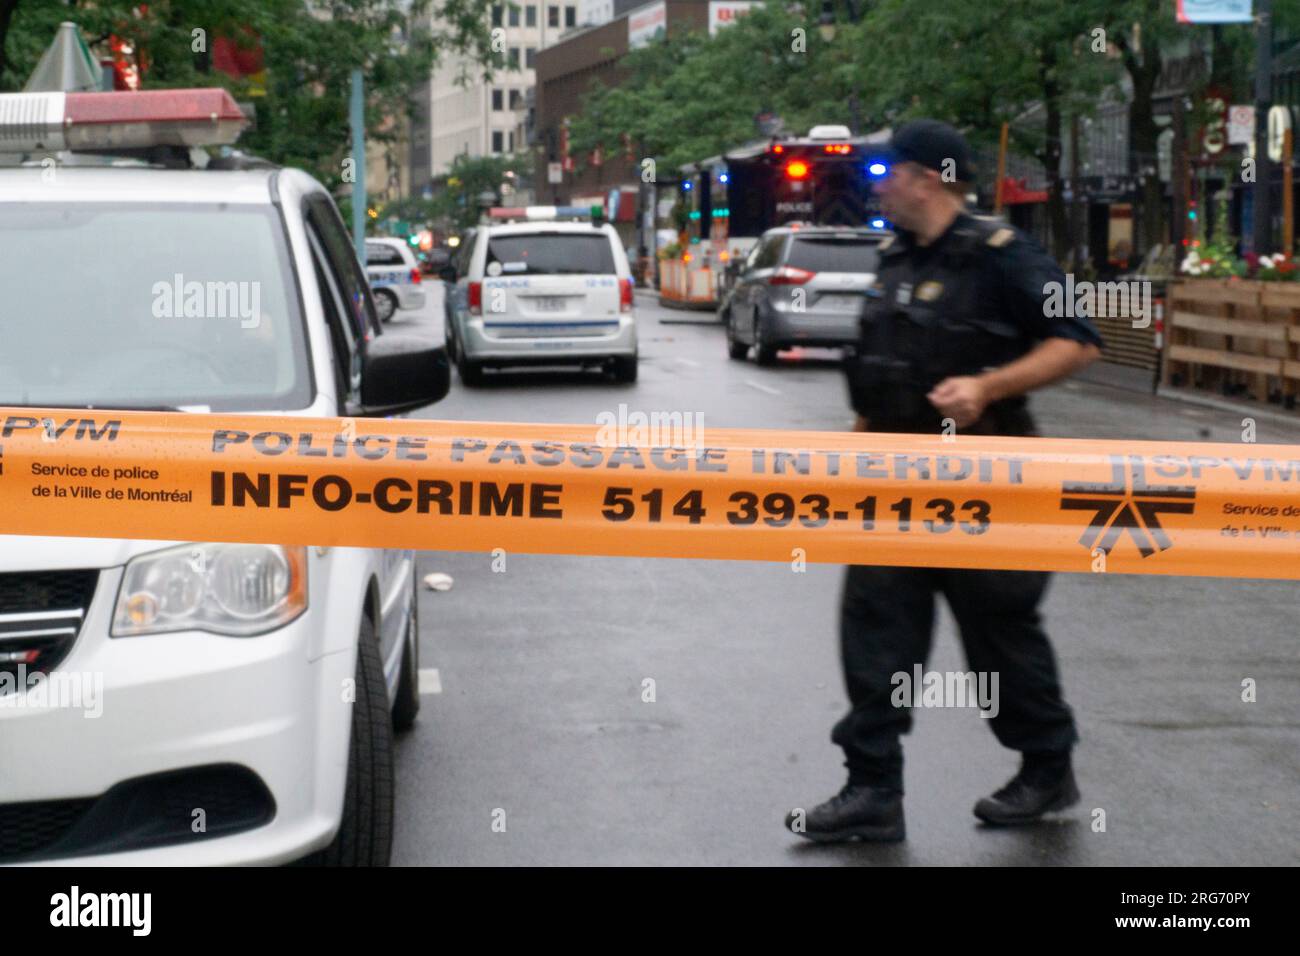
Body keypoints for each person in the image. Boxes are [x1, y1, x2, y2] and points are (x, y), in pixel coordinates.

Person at [787, 120, 1104, 843]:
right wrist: (851, 460)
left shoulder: (1001, 255)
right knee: (874, 629)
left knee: (999, 628)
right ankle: (872, 789)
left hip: (985, 479)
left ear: (928, 177)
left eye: (887, 172)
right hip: (894, 483)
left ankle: (1046, 768)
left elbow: (1077, 340)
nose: (878, 185)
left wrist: (989, 387)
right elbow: (879, 373)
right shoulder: (895, 256)